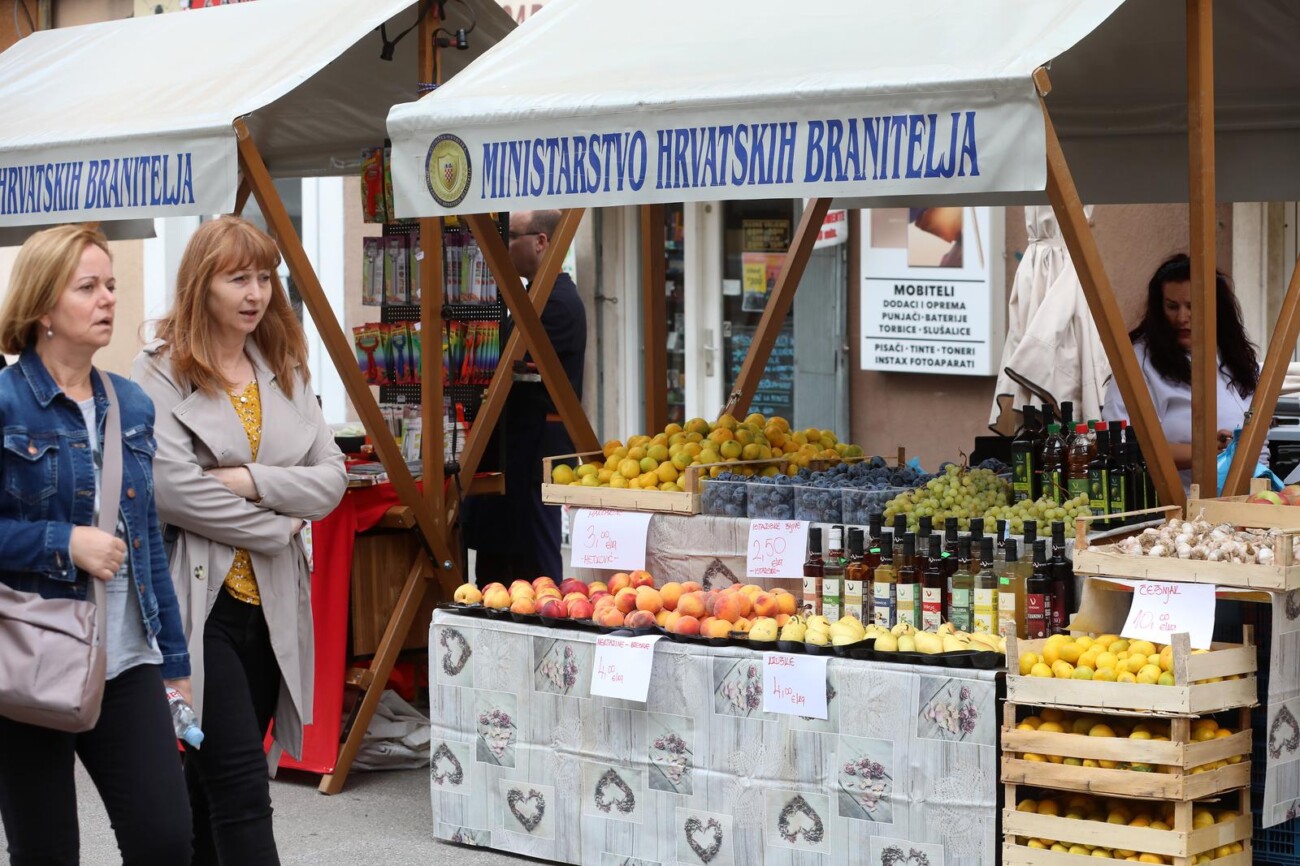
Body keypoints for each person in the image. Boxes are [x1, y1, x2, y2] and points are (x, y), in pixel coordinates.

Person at [132, 216, 346, 865]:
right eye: (236, 278)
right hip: (200, 608)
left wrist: (248, 479)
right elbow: (173, 491)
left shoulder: (283, 366)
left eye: (263, 276)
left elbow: (331, 480)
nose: (254, 292)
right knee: (242, 791)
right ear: (203, 284)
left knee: (205, 788)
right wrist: (281, 520)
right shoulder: (161, 373)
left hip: (272, 608)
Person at [0, 225, 192, 865]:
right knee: (46, 851)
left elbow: (146, 540)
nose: (108, 298)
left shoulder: (131, 403)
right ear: (43, 307)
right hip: (31, 654)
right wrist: (63, 542)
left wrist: (176, 662)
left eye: (110, 284)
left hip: (127, 660)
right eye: (88, 287)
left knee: (165, 838)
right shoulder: (5, 406)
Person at [463, 209, 586, 583]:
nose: (504, 246)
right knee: (500, 559)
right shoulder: (534, 296)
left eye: (510, 236)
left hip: (534, 452)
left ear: (541, 241)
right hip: (515, 449)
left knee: (535, 562)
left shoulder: (558, 302)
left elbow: (509, 359)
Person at [1103, 253, 1264, 489]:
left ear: (1216, 307)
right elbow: (1124, 447)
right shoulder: (1139, 360)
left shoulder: (1235, 355)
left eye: (1193, 306)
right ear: (1159, 309)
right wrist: (1203, 451)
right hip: (1172, 509)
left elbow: (1260, 443)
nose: (1182, 317)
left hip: (1241, 504)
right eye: (1172, 307)